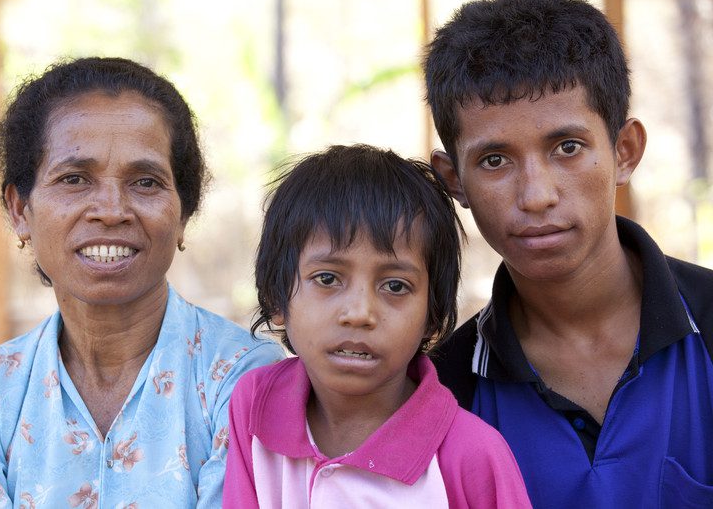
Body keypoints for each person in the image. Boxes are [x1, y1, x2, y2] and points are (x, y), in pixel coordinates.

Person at [0, 57, 285, 508]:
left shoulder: (244, 380)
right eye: (74, 179)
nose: (111, 210)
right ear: (20, 210)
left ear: (183, 214)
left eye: (146, 182)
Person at [423, 0, 713, 508]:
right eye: (494, 160)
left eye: (567, 148)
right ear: (454, 179)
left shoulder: (709, 325)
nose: (536, 195)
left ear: (624, 151)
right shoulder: (443, 392)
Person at [222, 144, 531, 508]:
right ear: (277, 299)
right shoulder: (256, 404)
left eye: (395, 286)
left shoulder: (471, 456)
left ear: (431, 317)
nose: (359, 313)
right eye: (327, 278)